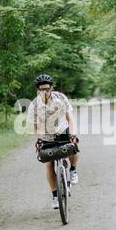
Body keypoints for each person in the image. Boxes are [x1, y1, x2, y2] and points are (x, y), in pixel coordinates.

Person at [27, 74, 79, 209]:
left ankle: (73, 170)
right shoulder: (34, 105)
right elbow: (36, 126)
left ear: (51, 88)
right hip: (46, 136)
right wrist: (39, 140)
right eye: (41, 89)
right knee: (49, 164)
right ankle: (55, 196)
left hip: (63, 131)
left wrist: (73, 135)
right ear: (38, 89)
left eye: (47, 89)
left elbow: (70, 118)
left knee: (73, 147)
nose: (45, 92)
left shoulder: (61, 98)